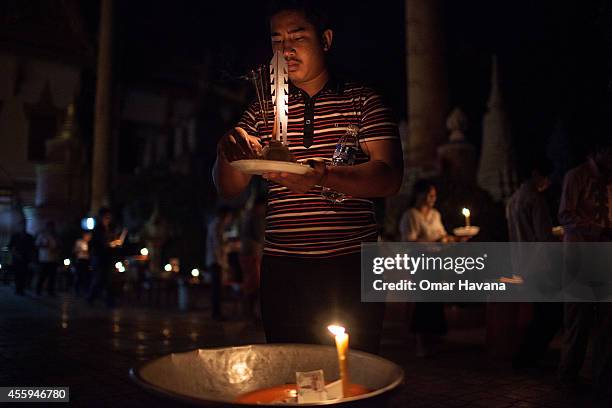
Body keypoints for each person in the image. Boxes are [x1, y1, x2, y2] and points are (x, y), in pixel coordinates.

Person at [213, 0, 403, 353]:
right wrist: (229, 150)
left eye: (297, 37)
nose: (286, 49)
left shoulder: (363, 102)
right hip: (284, 269)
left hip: (350, 266)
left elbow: (389, 176)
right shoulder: (262, 109)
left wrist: (324, 177)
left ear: (326, 40)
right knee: (291, 372)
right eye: (277, 40)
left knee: (352, 372)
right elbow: (228, 187)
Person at [557, 141, 612, 388]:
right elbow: (566, 215)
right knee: (578, 321)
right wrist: (599, 230)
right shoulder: (576, 176)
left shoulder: (609, 180)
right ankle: (568, 377)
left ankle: (601, 375)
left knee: (607, 321)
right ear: (599, 150)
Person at [506, 156, 563, 369]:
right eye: (545, 175)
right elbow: (545, 237)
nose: (546, 181)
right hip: (539, 265)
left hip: (521, 262)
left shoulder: (513, 200)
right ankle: (526, 358)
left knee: (541, 312)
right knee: (550, 314)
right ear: (535, 173)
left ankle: (527, 357)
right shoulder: (535, 199)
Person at [399, 180, 459, 357]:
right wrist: (435, 242)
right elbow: (409, 241)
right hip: (418, 261)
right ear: (420, 195)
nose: (433, 198)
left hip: (436, 260)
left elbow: (442, 235)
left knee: (436, 296)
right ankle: (420, 341)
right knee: (424, 297)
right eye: (430, 195)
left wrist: (453, 240)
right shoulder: (410, 215)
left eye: (434, 195)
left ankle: (434, 337)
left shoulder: (435, 215)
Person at [88, 208, 123, 307]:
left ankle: (109, 300)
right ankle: (91, 297)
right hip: (100, 256)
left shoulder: (110, 229)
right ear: (101, 218)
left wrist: (116, 243)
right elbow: (99, 243)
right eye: (106, 217)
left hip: (109, 256)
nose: (108, 219)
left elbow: (111, 241)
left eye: (109, 217)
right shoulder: (98, 229)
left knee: (109, 278)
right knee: (99, 278)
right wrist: (112, 243)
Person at [239, 197, 266, 319]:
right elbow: (259, 237)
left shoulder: (248, 217)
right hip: (252, 254)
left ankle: (249, 312)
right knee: (253, 284)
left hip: (248, 253)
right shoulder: (254, 218)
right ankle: (250, 313)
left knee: (251, 283)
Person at [205, 206, 233, 321]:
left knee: (217, 289)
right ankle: (216, 313)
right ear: (224, 216)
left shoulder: (216, 225)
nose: (229, 220)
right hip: (216, 261)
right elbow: (218, 245)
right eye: (229, 217)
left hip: (215, 260)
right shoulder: (217, 226)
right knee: (216, 289)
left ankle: (217, 313)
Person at [8, 220, 36, 296]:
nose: (22, 227)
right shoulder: (15, 236)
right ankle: (18, 289)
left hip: (26, 258)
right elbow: (10, 246)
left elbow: (32, 248)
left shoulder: (29, 237)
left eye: (23, 225)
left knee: (24, 274)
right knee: (17, 274)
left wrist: (31, 258)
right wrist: (15, 253)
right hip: (17, 258)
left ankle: (22, 289)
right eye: (21, 226)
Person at [35, 221, 60, 297]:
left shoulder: (55, 236)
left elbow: (58, 245)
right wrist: (44, 245)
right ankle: (38, 290)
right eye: (49, 227)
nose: (50, 228)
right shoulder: (42, 235)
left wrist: (56, 248)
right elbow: (37, 244)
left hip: (53, 258)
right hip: (44, 258)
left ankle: (50, 291)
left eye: (52, 227)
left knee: (52, 276)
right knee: (42, 275)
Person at [73, 230, 92, 296]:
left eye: (90, 235)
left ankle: (85, 290)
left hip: (88, 260)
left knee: (86, 275)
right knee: (79, 275)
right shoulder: (79, 242)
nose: (89, 237)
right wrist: (82, 251)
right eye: (88, 235)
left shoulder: (90, 243)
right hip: (81, 259)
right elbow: (75, 250)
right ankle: (77, 290)